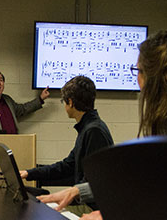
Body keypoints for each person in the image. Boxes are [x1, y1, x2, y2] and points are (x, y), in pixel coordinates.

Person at [37, 28, 167, 220]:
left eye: (138, 71)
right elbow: (146, 182)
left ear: (154, 77)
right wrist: (78, 191)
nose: (137, 80)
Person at [19, 75, 113, 211]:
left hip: (94, 210)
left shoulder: (94, 131)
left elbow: (96, 182)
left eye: (64, 101)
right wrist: (29, 173)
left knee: (39, 212)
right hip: (87, 204)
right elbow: (67, 166)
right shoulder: (88, 127)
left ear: (70, 102)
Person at [0, 70, 50, 134]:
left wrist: (40, 98)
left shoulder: (7, 100)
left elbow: (23, 109)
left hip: (13, 143)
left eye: (1, 80)